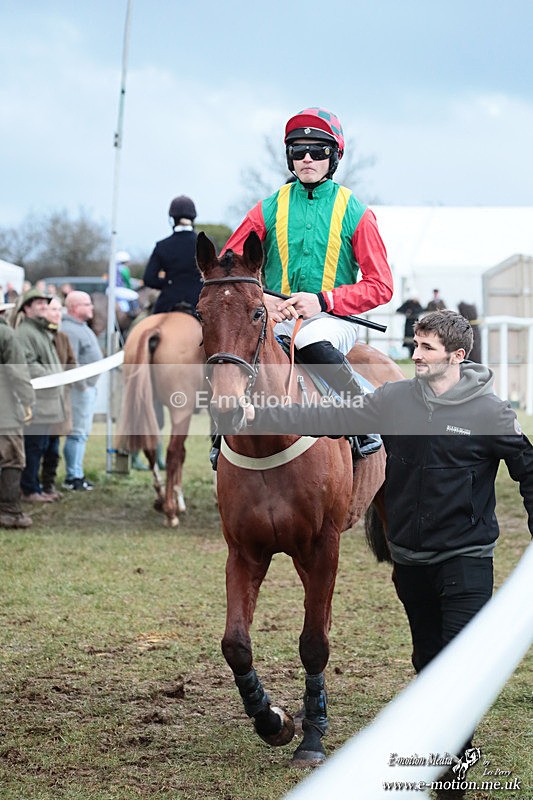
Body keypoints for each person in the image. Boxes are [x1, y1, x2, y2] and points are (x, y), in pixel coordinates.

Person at [240, 310, 533, 772]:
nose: (416, 355)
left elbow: (527, 468)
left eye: (427, 348)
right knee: (426, 657)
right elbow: (335, 417)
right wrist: (266, 415)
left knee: (457, 664)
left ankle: (455, 762)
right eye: (415, 345)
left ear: (457, 356)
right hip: (411, 560)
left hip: (466, 558)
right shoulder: (396, 399)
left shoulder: (489, 412)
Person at [220, 107, 393, 459]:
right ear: (290, 158)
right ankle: (219, 437)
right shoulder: (267, 208)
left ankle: (362, 420)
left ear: (334, 156)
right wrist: (261, 298)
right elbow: (227, 268)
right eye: (298, 151)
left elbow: (381, 286)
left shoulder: (357, 212)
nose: (308, 158)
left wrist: (323, 301)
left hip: (332, 319)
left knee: (310, 338)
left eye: (318, 150)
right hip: (275, 317)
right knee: (229, 349)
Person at [13, 288, 66, 502]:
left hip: (48, 400)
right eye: (39, 304)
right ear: (27, 308)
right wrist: (53, 376)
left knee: (43, 446)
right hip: (37, 401)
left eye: (46, 303)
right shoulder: (25, 333)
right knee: (33, 447)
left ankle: (37, 488)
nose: (45, 306)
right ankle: (29, 490)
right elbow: (27, 364)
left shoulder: (41, 330)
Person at [60, 291, 103, 491]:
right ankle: (73, 477)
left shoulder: (80, 327)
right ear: (75, 308)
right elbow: (71, 362)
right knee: (77, 433)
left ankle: (78, 473)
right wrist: (83, 386)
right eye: (87, 304)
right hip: (79, 391)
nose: (91, 307)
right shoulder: (70, 330)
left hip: (87, 389)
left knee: (82, 433)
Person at [0, 301, 35, 528]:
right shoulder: (5, 333)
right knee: (12, 457)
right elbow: (17, 370)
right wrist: (28, 399)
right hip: (4, 408)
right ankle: (9, 512)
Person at [40, 296, 76, 499]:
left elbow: (71, 363)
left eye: (59, 310)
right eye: (53, 309)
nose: (57, 314)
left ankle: (48, 484)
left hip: (59, 400)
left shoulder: (62, 337)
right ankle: (31, 486)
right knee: (37, 446)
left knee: (53, 448)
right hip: (41, 402)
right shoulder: (39, 337)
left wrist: (65, 383)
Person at [142, 195, 203, 314]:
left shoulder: (162, 245)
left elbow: (149, 279)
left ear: (172, 219)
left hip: (168, 301)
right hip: (198, 301)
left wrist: (169, 283)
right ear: (193, 218)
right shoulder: (204, 244)